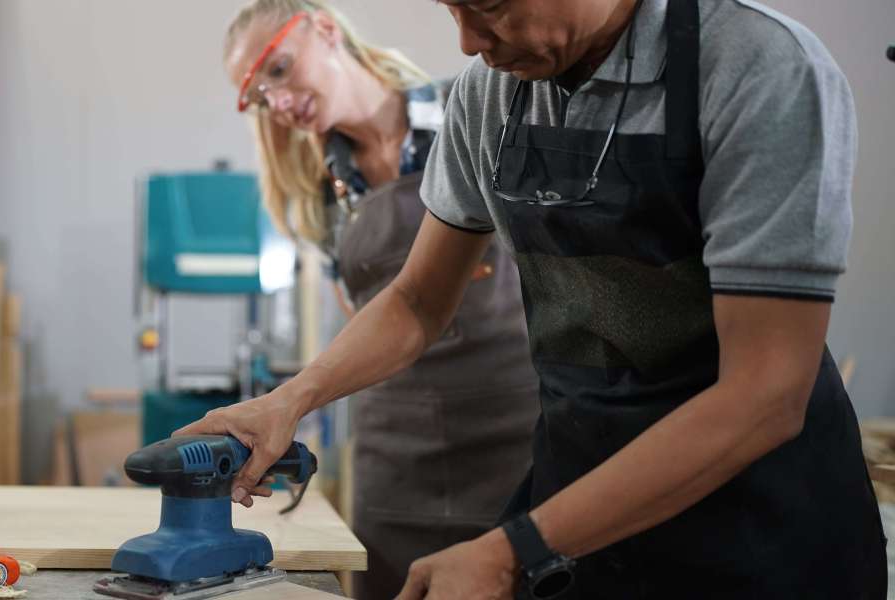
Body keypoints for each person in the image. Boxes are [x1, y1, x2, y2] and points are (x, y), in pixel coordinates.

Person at [182, 0, 888, 598]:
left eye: (487, 6)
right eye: (452, 9)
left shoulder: (753, 68)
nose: (467, 42)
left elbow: (765, 394)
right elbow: (420, 301)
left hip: (758, 534)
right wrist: (291, 400)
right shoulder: (489, 94)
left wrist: (509, 549)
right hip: (579, 513)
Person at [210, 1, 538, 598]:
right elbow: (377, 317)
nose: (277, 102)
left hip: (520, 430)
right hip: (397, 454)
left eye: (278, 70)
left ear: (326, 29)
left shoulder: (472, 113)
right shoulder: (315, 195)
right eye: (260, 95)